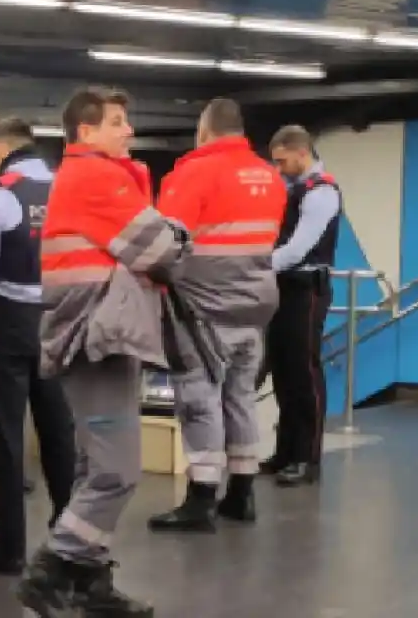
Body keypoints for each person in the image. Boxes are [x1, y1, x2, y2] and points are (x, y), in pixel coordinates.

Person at [19, 87, 191, 618]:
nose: (129, 131)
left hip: (97, 334)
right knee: (118, 471)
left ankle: (90, 582)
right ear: (85, 132)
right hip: (97, 335)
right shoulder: (96, 176)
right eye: (118, 122)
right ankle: (53, 566)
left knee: (94, 465)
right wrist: (175, 237)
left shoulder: (87, 176)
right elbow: (162, 247)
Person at [147, 98, 286, 532]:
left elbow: (165, 243)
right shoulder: (270, 176)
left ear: (204, 132)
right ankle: (241, 493)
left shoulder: (192, 173)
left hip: (203, 307)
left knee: (198, 397)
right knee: (241, 396)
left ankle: (201, 497)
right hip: (256, 304)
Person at [0, 118, 78, 575]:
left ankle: (7, 548)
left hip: (10, 323)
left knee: (5, 436)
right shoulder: (65, 186)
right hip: (60, 317)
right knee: (59, 432)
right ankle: (71, 542)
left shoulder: (0, 194)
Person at [262, 124, 342, 487]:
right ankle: (285, 451)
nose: (278, 169)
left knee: (304, 372)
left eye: (282, 161)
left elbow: (298, 248)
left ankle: (307, 457)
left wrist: (257, 265)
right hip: (284, 286)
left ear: (300, 152)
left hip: (307, 288)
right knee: (282, 370)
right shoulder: (294, 190)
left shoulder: (321, 191)